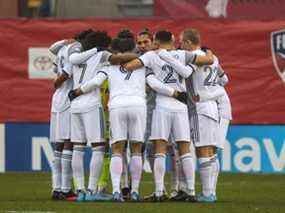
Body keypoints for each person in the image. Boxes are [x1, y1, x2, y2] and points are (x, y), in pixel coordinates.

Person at [69, 35, 181, 202]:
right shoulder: (143, 64)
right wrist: (175, 93)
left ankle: (116, 191)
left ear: (115, 49)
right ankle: (135, 191)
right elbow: (154, 83)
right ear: (132, 48)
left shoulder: (109, 64)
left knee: (117, 149)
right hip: (138, 105)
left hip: (117, 106)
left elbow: (96, 81)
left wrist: (78, 91)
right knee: (136, 149)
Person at [123, 30, 214, 202]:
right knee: (184, 149)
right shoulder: (182, 54)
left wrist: (144, 70)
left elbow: (129, 66)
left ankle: (158, 191)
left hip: (162, 106)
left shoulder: (150, 55)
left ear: (156, 41)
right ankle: (191, 192)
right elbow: (208, 60)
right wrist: (209, 52)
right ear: (171, 40)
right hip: (181, 106)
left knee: (160, 149)